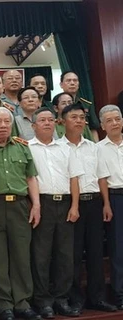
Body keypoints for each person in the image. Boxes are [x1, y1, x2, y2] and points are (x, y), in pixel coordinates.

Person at [0, 107, 41, 320]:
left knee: (21, 257)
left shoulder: (22, 147)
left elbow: (30, 177)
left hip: (20, 206)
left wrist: (36, 205)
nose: (3, 125)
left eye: (7, 121)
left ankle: (22, 302)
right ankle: (3, 304)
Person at [59, 103, 117, 313]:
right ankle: (75, 299)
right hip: (70, 204)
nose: (79, 121)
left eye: (82, 117)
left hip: (94, 202)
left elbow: (102, 177)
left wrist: (106, 204)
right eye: (73, 117)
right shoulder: (57, 147)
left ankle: (97, 298)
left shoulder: (94, 147)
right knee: (72, 254)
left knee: (95, 252)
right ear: (63, 121)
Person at [28, 108, 83, 319]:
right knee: (41, 255)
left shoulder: (65, 148)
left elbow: (74, 178)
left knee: (65, 255)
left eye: (51, 120)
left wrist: (75, 206)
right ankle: (42, 301)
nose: (47, 123)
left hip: (66, 203)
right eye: (42, 120)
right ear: (34, 126)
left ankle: (62, 298)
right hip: (42, 204)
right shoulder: (27, 148)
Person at [96, 104, 123, 311]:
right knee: (117, 248)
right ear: (103, 125)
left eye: (118, 118)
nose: (115, 123)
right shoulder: (98, 149)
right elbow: (102, 179)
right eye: (110, 120)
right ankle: (118, 292)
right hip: (115, 198)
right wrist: (106, 203)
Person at [59, 71, 99, 141]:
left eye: (75, 80)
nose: (72, 83)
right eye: (68, 81)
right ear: (61, 84)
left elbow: (93, 128)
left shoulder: (86, 104)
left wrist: (96, 145)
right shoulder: (56, 103)